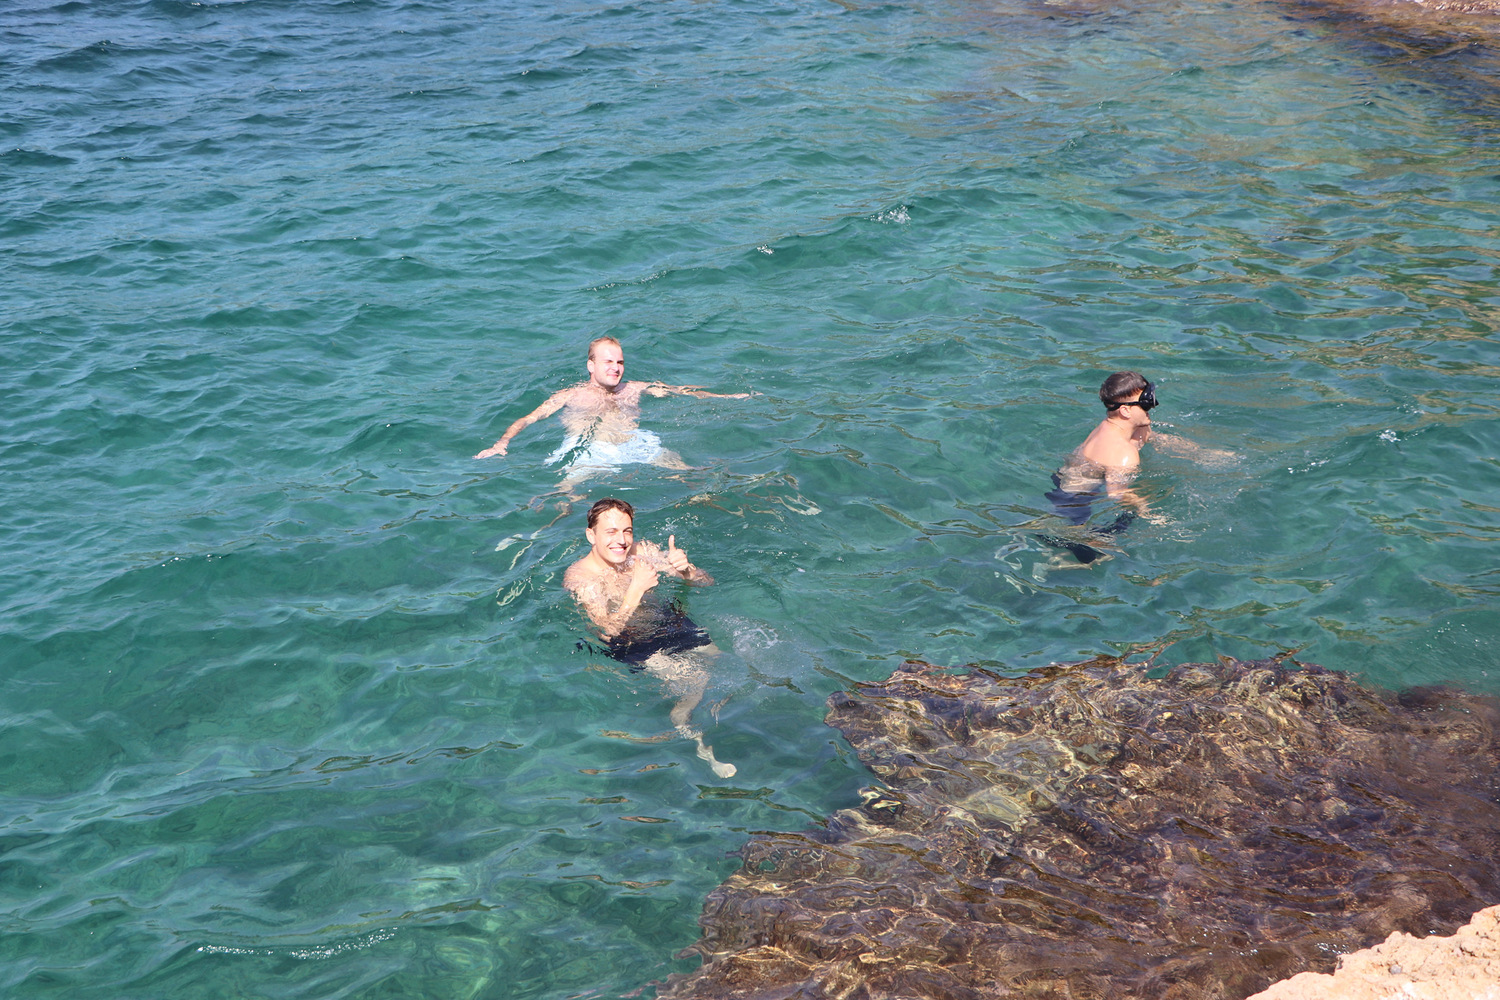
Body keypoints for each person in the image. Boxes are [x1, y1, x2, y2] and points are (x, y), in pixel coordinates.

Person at [563, 497, 736, 778]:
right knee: (696, 681)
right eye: (611, 532)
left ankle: (725, 718)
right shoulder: (581, 578)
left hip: (667, 622)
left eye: (627, 531)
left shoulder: (642, 552)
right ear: (591, 535)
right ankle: (687, 727)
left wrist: (687, 571)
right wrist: (635, 589)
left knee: (725, 662)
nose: (621, 540)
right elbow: (607, 630)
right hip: (633, 642)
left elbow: (707, 582)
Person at [475, 337, 752, 489]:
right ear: (590, 365)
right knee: (563, 496)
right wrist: (502, 443)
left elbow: (682, 391)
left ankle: (733, 493)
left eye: (620, 362)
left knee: (692, 475)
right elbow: (529, 418)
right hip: (589, 450)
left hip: (634, 442)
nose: (616, 367)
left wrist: (727, 397)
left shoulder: (634, 388)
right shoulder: (569, 395)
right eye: (608, 361)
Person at [1042, 371, 1234, 564]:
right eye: (1145, 403)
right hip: (1075, 501)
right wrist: (1149, 511)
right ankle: (1064, 561)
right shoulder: (1124, 453)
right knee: (1107, 545)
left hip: (1064, 480)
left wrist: (1202, 454)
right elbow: (1116, 493)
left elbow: (1157, 438)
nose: (1152, 406)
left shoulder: (1120, 427)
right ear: (1125, 411)